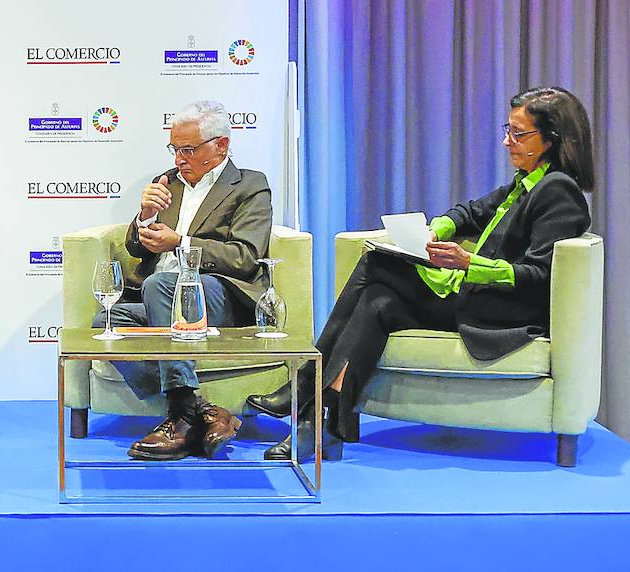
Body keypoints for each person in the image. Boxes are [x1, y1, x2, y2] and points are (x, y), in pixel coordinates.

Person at [245, 86, 595, 460]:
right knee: (378, 302)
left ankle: (302, 387)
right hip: (477, 298)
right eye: (506, 130)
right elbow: (471, 211)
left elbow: (538, 275)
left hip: (504, 313)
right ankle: (326, 422)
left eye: (518, 134)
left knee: (377, 263)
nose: (507, 142)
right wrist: (437, 229)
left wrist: (467, 263)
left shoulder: (558, 191)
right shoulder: (524, 182)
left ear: (552, 139)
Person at [93, 100, 273, 461]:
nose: (179, 158)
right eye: (175, 148)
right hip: (159, 297)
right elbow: (136, 248)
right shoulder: (167, 183)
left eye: (188, 150)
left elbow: (245, 257)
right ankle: (200, 412)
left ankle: (177, 418)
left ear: (220, 145)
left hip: (218, 295)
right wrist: (144, 218)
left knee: (161, 285)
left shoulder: (250, 185)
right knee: (108, 321)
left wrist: (181, 244)